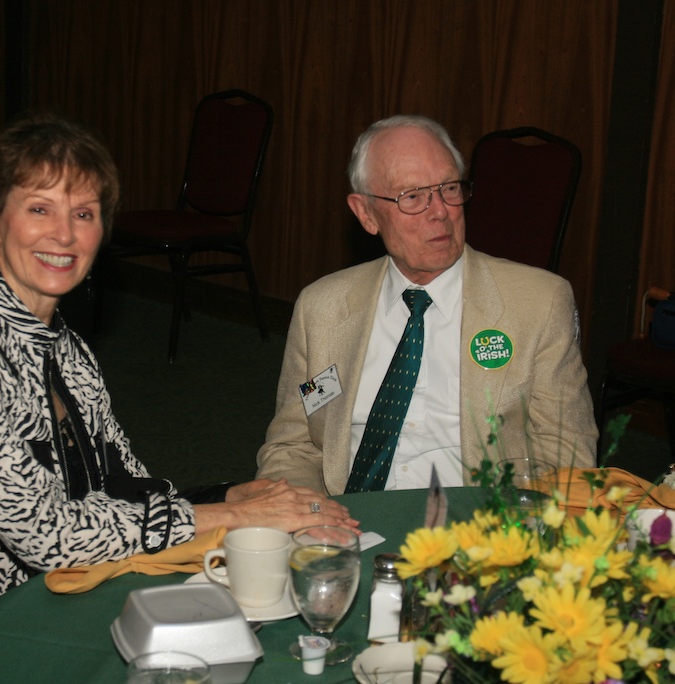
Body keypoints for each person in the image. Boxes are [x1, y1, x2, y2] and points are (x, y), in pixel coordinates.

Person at [0, 111, 358, 683]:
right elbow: (47, 534)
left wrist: (236, 491)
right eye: (40, 208)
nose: (65, 234)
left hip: (62, 596)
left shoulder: (67, 350)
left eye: (83, 214)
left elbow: (130, 490)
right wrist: (235, 515)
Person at [256, 114, 597, 495]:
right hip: (349, 521)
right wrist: (314, 516)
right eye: (413, 196)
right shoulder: (321, 309)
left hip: (477, 528)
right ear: (366, 213)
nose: (440, 211)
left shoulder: (539, 303)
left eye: (450, 188)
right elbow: (293, 447)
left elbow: (568, 455)